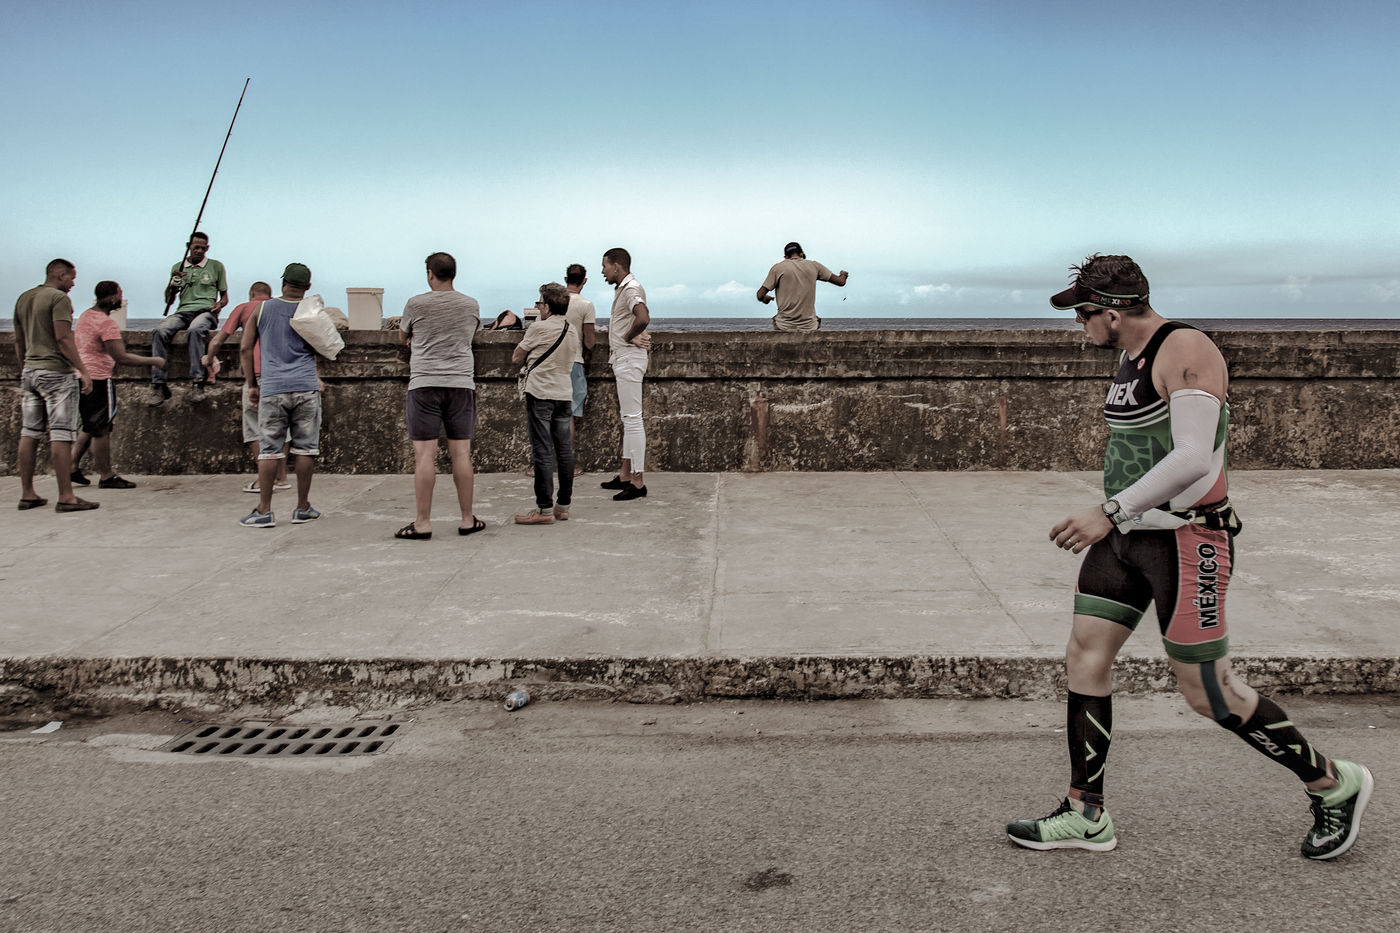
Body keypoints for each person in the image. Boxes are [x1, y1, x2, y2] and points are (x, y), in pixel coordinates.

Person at [1005, 254, 1372, 860]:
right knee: (1085, 656)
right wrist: (1118, 519)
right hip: (1126, 539)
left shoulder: (1186, 348)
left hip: (1188, 540)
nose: (1078, 324)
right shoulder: (1130, 358)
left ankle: (1333, 784)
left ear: (1114, 313)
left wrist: (1108, 511)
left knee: (1210, 694)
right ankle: (1085, 813)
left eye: (1084, 312)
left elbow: (1194, 456)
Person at [394, 252, 484, 540]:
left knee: (424, 456)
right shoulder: (471, 304)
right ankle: (467, 519)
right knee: (462, 454)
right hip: (461, 383)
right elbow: (470, 335)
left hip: (424, 383)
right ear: (454, 274)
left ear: (430, 273)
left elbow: (402, 336)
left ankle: (423, 522)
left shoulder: (416, 303)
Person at [238, 263, 322, 528]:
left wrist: (252, 384)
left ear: (283, 283)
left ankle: (264, 511)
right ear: (308, 287)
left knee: (269, 451)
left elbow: (245, 348)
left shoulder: (262, 309)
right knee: (306, 448)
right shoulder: (311, 311)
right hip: (305, 386)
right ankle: (302, 507)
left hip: (272, 387)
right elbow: (325, 345)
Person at [13, 258, 98, 512]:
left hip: (30, 372)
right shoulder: (59, 299)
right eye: (71, 278)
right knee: (61, 434)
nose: (73, 284)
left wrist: (25, 367)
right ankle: (66, 496)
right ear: (60, 275)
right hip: (56, 375)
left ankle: (27, 494)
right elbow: (63, 338)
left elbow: (18, 339)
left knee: (29, 432)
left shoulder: (24, 298)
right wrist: (83, 371)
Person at [69, 281, 165, 489]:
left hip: (81, 375)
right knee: (101, 428)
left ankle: (72, 465)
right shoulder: (107, 324)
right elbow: (121, 357)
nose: (121, 298)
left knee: (90, 424)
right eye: (120, 294)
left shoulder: (85, 316)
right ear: (113, 297)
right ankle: (106, 476)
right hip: (99, 378)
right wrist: (154, 361)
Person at [202, 282, 290, 493]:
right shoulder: (281, 309)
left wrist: (209, 358)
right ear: (270, 294)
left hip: (258, 374)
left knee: (254, 427)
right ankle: (281, 477)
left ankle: (264, 480)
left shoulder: (243, 308)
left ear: (251, 294)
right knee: (281, 427)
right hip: (283, 374)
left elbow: (218, 340)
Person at [512, 283, 579, 524]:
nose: (539, 307)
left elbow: (516, 356)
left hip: (540, 393)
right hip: (564, 393)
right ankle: (563, 506)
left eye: (540, 303)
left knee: (542, 451)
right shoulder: (572, 330)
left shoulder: (538, 328)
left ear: (548, 307)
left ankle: (544, 510)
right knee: (564, 450)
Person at [598, 247, 652, 500]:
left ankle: (638, 482)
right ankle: (625, 475)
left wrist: (629, 337)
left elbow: (642, 317)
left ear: (616, 266)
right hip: (625, 358)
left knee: (632, 420)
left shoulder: (630, 289)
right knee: (628, 419)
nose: (603, 271)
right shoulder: (625, 289)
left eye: (605, 266)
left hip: (629, 359)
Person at [150, 231, 228, 405]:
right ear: (189, 247)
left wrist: (219, 305)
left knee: (195, 330)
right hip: (183, 311)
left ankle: (198, 380)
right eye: (196, 247)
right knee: (159, 331)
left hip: (206, 312)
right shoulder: (178, 267)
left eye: (203, 248)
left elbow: (224, 297)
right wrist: (172, 284)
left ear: (207, 248)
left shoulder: (216, 266)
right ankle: (158, 383)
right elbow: (169, 300)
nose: (199, 251)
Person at [756, 241, 849, 332]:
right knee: (816, 320)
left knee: (779, 321)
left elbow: (759, 295)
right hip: (808, 326)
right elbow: (841, 282)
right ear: (802, 254)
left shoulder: (777, 268)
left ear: (786, 257)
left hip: (786, 327)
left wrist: (765, 298)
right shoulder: (814, 266)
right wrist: (843, 274)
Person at [564, 263, 597, 471]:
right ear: (584, 281)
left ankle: (540, 465)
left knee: (547, 415)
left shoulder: (553, 302)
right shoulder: (586, 305)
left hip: (552, 363)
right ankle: (568, 466)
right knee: (567, 416)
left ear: (565, 279)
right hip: (574, 361)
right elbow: (590, 342)